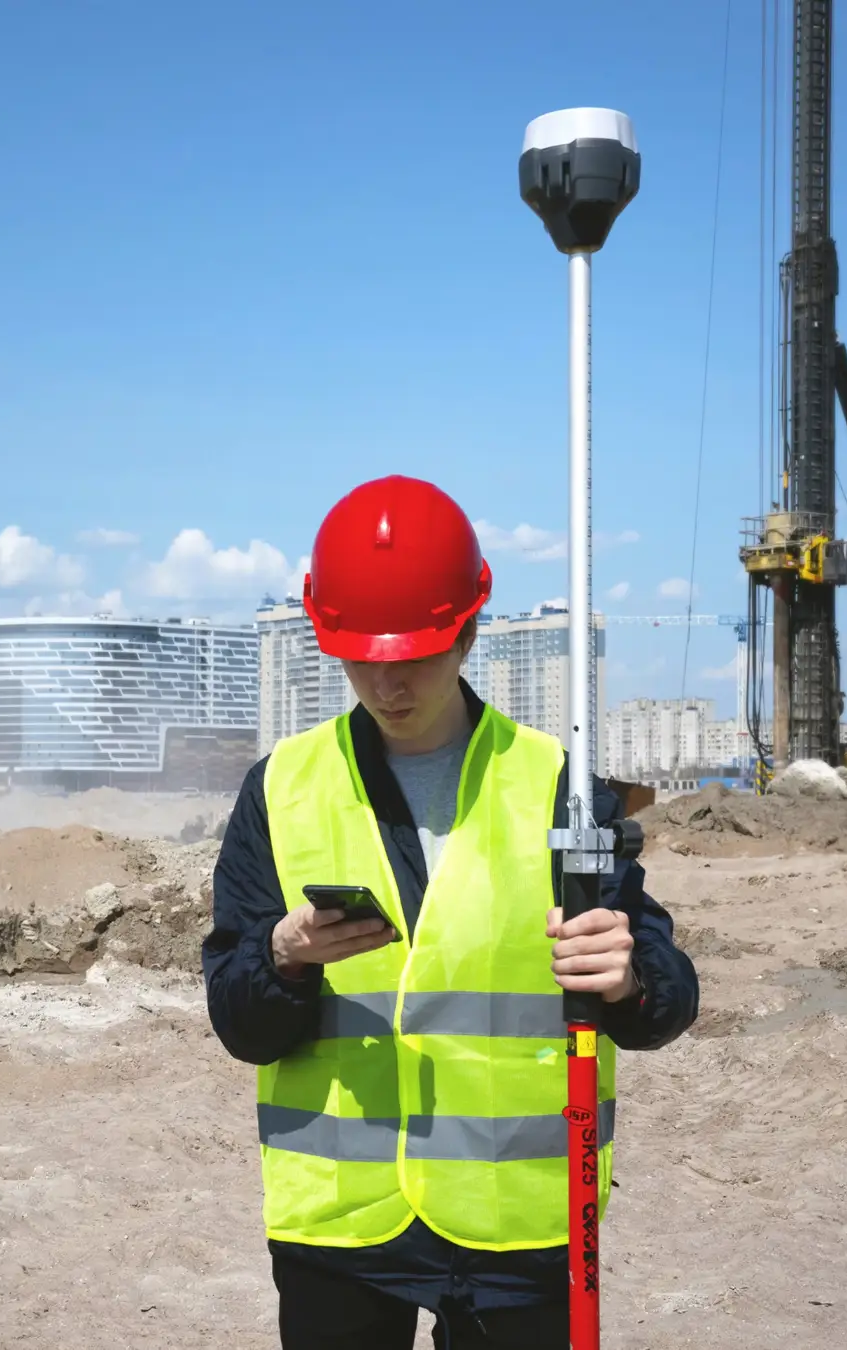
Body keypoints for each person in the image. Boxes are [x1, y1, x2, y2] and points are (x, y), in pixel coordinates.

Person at [203, 475, 699, 1349]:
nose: (388, 684)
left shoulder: (559, 786)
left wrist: (628, 982)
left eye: (415, 657)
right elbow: (240, 1025)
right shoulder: (280, 791)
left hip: (521, 1224)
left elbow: (665, 998)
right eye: (365, 659)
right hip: (342, 1229)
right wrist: (279, 957)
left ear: (468, 631)